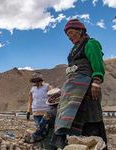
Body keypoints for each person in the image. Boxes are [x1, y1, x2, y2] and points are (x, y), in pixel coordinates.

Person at [51, 19, 107, 149]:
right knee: (73, 119)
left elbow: (97, 63)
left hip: (87, 89)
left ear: (80, 31)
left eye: (71, 33)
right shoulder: (74, 49)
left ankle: (96, 144)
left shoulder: (91, 43)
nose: (69, 37)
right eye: (67, 35)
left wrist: (96, 82)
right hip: (73, 91)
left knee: (90, 117)